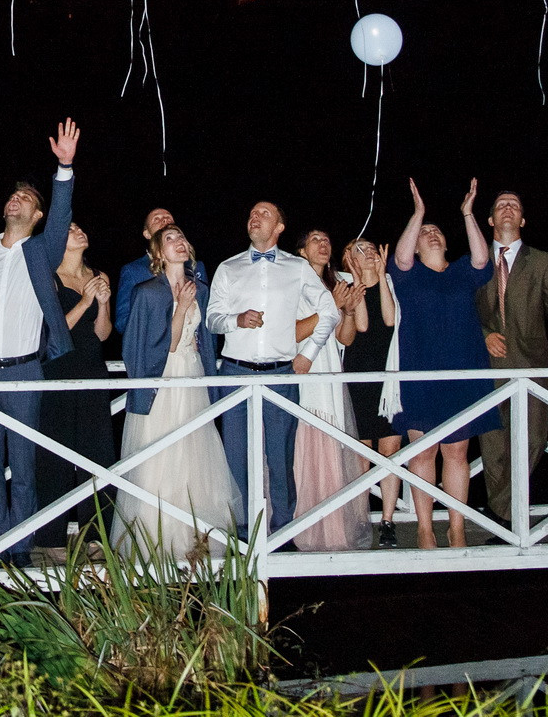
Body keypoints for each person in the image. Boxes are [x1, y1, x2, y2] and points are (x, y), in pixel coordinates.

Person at [0, 119, 82, 568]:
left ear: (37, 215)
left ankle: (20, 549)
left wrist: (64, 168)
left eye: (25, 198)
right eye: (13, 196)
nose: (15, 200)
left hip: (25, 371)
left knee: (23, 468)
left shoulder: (42, 250)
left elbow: (61, 216)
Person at [206, 201, 339, 539]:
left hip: (281, 374)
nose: (255, 217)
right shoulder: (228, 267)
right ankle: (243, 533)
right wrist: (235, 319)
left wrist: (308, 354)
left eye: (265, 214)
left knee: (280, 456)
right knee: (237, 456)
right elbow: (212, 319)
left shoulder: (297, 267)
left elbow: (329, 311)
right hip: (235, 373)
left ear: (279, 227)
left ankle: (282, 531)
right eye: (252, 213)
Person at [117, 223, 240, 557]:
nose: (179, 242)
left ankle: (198, 537)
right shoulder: (147, 291)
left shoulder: (200, 288)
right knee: (162, 454)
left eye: (182, 237)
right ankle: (158, 539)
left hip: (192, 374)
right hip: (162, 379)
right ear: (159, 252)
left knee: (197, 454)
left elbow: (206, 339)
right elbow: (157, 348)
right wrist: (182, 308)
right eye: (170, 239)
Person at [389, 179, 497, 549]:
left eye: (437, 231)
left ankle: (456, 526)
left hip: (462, 371)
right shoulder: (407, 275)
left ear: (448, 243)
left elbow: (482, 260)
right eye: (425, 232)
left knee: (457, 452)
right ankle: (424, 528)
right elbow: (401, 259)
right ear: (416, 243)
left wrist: (467, 213)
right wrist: (418, 213)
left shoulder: (463, 271)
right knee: (422, 452)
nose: (432, 234)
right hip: (418, 374)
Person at [475, 188, 548, 529]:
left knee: (534, 439)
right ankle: (505, 517)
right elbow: (462, 310)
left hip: (531, 362)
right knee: (493, 444)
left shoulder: (543, 261)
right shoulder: (476, 260)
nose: (507, 208)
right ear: (490, 219)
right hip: (487, 364)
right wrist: (483, 335)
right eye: (501, 205)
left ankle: (501, 511)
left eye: (514, 205)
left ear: (522, 219)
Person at [32, 222, 116, 551]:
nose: (79, 231)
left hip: (92, 368)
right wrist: (84, 300)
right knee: (55, 453)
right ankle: (51, 539)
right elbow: (52, 332)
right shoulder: (49, 278)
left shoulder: (99, 275)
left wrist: (103, 303)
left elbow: (102, 334)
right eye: (70, 229)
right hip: (58, 370)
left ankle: (95, 537)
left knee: (98, 453)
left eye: (80, 228)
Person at [291, 229, 371, 551]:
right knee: (308, 451)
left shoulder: (335, 283)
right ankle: (305, 531)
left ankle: (334, 530)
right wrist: (329, 308)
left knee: (333, 450)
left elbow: (345, 338)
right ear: (301, 251)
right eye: (315, 240)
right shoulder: (293, 284)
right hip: (304, 374)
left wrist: (347, 311)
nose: (323, 244)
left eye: (326, 240)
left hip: (331, 372)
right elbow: (291, 334)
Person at [335, 237, 403, 548]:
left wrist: (382, 276)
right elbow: (361, 325)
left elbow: (390, 320)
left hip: (389, 376)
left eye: (372, 248)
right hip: (359, 375)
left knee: (391, 450)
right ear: (348, 259)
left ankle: (388, 520)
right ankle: (360, 519)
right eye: (360, 250)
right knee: (361, 453)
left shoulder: (391, 283)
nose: (369, 252)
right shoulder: (346, 287)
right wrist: (358, 278)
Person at [114, 207, 187, 335]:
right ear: (147, 234)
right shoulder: (133, 271)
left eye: (168, 217)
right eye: (156, 219)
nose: (164, 220)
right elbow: (123, 323)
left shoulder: (194, 267)